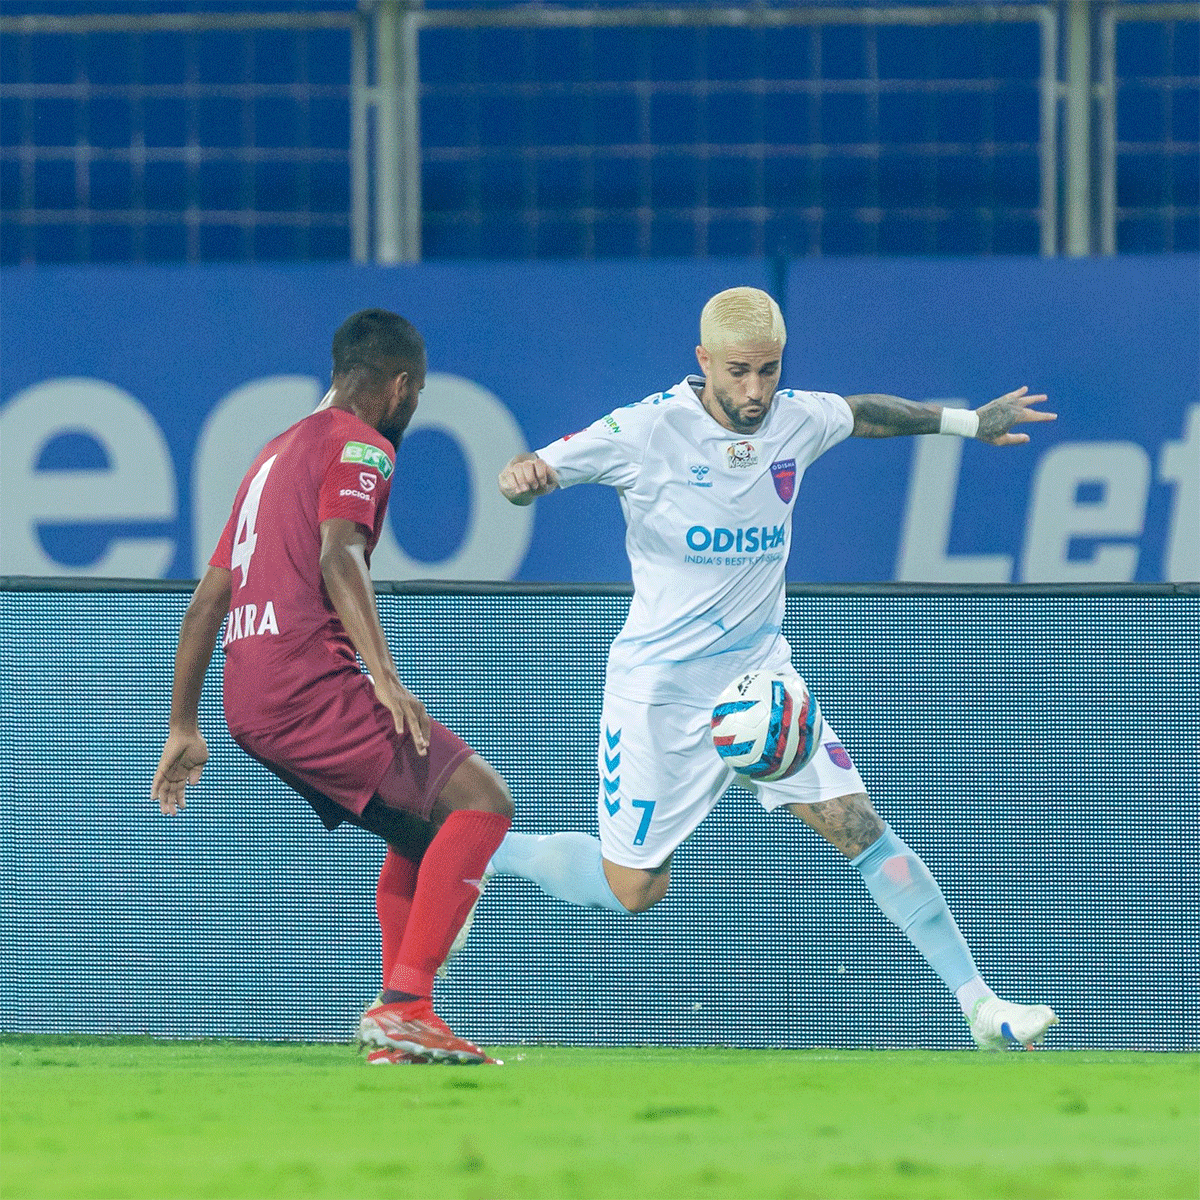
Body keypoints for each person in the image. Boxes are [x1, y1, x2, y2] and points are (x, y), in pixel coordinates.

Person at [493, 286, 1059, 1050]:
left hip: (760, 685)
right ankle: (483, 852)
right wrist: (522, 477)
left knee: (856, 825)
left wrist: (967, 422)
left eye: (768, 370)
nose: (755, 390)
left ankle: (982, 1006)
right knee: (634, 890)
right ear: (703, 362)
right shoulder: (645, 430)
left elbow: (865, 413)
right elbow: (536, 469)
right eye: (738, 372)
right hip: (660, 693)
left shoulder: (798, 417)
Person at [152, 309, 512, 1066]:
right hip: (306, 682)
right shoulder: (361, 442)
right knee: (483, 804)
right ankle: (407, 1007)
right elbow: (339, 554)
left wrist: (184, 725)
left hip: (248, 701)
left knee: (422, 829)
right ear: (401, 386)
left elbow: (206, 602)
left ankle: (395, 1025)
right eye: (414, 398)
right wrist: (385, 676)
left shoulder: (271, 456)